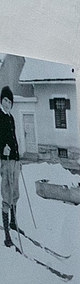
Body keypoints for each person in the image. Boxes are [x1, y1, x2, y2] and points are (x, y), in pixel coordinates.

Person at [0, 86, 19, 252]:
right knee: (7, 195)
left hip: (14, 161)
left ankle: (13, 222)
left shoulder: (11, 117)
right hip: (5, 161)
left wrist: (17, 155)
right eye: (5, 100)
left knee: (15, 193)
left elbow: (14, 138)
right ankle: (6, 235)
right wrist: (2, 149)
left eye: (10, 101)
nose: (7, 103)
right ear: (1, 101)